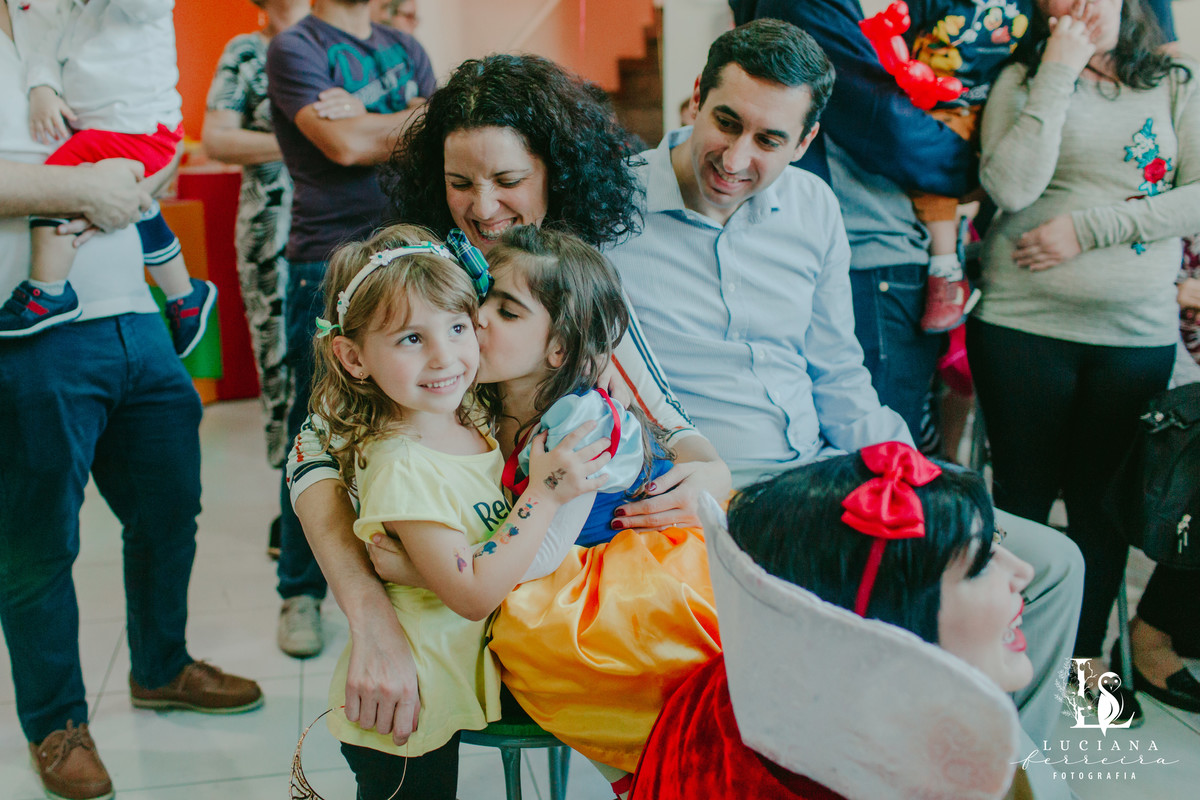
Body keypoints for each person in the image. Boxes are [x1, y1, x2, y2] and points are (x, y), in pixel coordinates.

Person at [605, 17, 1082, 762]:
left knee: (1052, 567)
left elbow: (838, 373)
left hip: (826, 474)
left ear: (805, 140)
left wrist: (912, 469)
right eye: (725, 122)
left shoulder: (814, 208)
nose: (735, 157)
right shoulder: (608, 207)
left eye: (769, 140)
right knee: (932, 584)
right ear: (695, 98)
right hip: (708, 493)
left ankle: (1001, 770)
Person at [285, 52, 731, 760]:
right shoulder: (418, 272)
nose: (483, 206)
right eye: (460, 182)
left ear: (556, 172)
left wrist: (708, 469)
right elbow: (312, 448)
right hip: (453, 575)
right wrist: (369, 612)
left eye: (508, 180)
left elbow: (665, 415)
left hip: (510, 576)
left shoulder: (566, 276)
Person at [0, 4, 263, 800]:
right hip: (31, 329)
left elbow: (149, 137)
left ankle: (160, 665)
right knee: (39, 541)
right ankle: (56, 724)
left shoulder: (78, 23)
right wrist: (80, 182)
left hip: (136, 319)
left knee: (168, 506)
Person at [363, 225, 721, 792]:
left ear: (558, 348)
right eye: (481, 299)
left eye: (506, 312)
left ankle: (649, 775)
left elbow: (544, 553)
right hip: (543, 552)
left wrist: (424, 572)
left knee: (535, 637)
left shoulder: (577, 427)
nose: (477, 319)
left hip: (611, 568)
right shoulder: (479, 396)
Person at [308, 223, 608, 799]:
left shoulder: (465, 412)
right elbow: (471, 595)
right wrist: (542, 495)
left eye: (457, 326)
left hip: (449, 687)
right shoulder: (402, 463)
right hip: (406, 707)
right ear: (353, 357)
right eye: (410, 339)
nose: (446, 356)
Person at [969, 0, 1198, 723]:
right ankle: (1003, 661)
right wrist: (1059, 71)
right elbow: (1009, 189)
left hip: (1134, 333)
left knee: (1104, 512)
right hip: (1021, 326)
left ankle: (1086, 669)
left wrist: (1089, 230)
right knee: (1022, 503)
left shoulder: (1174, 77)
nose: (1074, 4)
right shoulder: (1019, 77)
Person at [630, 442, 1035, 800]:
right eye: (980, 564)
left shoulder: (730, 689)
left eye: (995, 542)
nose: (1024, 572)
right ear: (885, 621)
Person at [266, 0, 435, 658]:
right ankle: (299, 591)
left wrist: (378, 120)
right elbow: (344, 144)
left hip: (412, 259)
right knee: (317, 430)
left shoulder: (402, 44)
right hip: (327, 262)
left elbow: (445, 130)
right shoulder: (295, 46)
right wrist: (407, 118)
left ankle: (405, 564)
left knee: (417, 422)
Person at [0, 0, 216, 357]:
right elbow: (46, 52)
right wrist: (42, 89)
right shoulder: (68, 12)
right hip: (112, 132)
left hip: (141, 129)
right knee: (136, 207)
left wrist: (93, 194)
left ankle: (47, 290)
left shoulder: (130, 8)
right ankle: (184, 294)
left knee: (59, 176)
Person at [204, 0, 310, 556]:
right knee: (281, 369)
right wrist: (302, 141)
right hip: (272, 233)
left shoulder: (332, 45)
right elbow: (216, 138)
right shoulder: (245, 52)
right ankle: (289, 506)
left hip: (340, 228)